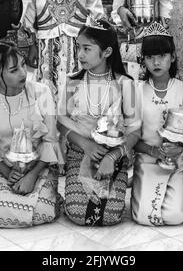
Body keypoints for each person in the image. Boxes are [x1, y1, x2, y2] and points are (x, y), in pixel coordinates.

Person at [57, 18, 141, 226]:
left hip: (113, 157)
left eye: (87, 48)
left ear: (107, 52)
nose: (80, 54)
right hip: (80, 152)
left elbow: (135, 131)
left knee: (110, 215)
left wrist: (112, 157)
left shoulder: (124, 84)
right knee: (78, 213)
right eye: (78, 48)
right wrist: (86, 145)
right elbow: (60, 122)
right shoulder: (72, 82)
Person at [0, 40, 63, 228]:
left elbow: (50, 139)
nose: (23, 73)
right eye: (14, 70)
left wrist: (32, 176)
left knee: (42, 212)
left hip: (42, 165)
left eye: (23, 65)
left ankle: (51, 194)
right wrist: (8, 173)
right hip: (7, 168)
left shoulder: (42, 92)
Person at [131, 21, 183, 226]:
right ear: (144, 60)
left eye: (162, 56)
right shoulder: (137, 90)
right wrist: (154, 152)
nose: (156, 62)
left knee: (175, 216)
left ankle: (181, 190)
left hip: (178, 161)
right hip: (147, 160)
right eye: (150, 57)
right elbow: (131, 135)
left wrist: (179, 149)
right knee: (145, 217)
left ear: (173, 57)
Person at [22, 0, 104, 103]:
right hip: (46, 41)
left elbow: (94, 1)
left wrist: (96, 40)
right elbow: (30, 3)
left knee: (80, 96)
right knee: (47, 95)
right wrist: (30, 42)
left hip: (81, 40)